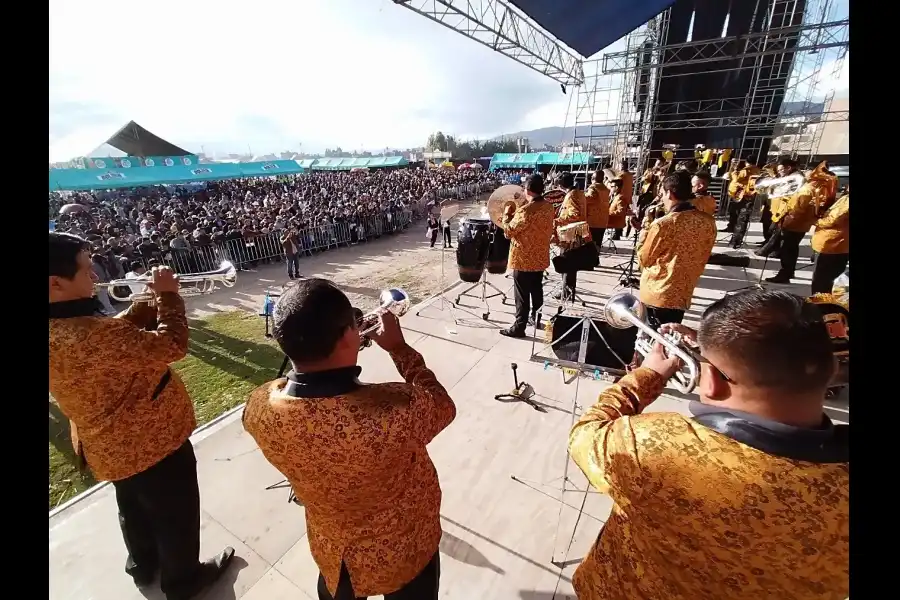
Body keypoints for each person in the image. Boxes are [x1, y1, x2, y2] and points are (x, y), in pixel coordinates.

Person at [568, 289, 849, 600]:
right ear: (831, 370)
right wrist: (713, 353)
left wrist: (646, 377)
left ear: (712, 381)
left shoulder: (655, 445)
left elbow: (585, 434)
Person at [242, 279, 456, 600]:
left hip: (334, 551)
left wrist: (338, 355)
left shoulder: (258, 408)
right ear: (346, 336)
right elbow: (442, 405)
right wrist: (400, 349)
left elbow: (306, 392)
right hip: (404, 550)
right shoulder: (394, 409)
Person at [49, 232, 235, 600]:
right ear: (54, 283)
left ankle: (143, 564)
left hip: (107, 445)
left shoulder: (68, 328)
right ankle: (183, 582)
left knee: (132, 506)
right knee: (175, 515)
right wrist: (167, 296)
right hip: (152, 443)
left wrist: (141, 309)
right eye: (87, 272)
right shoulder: (89, 335)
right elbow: (172, 346)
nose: (97, 279)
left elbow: (105, 338)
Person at [636, 172, 716, 331]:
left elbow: (644, 259)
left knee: (651, 340)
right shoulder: (708, 222)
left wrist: (645, 229)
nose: (662, 199)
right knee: (670, 335)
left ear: (669, 193)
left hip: (658, 292)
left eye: (662, 194)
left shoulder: (663, 224)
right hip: (683, 292)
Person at [499, 174, 555, 338]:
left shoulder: (525, 211)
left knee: (522, 295)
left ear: (528, 190)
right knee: (537, 289)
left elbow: (509, 232)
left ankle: (519, 327)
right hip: (540, 256)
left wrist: (507, 214)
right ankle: (536, 318)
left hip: (523, 258)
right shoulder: (548, 207)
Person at [764, 158, 819, 284]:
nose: (805, 172)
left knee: (788, 248)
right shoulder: (803, 185)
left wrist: (784, 221)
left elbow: (797, 209)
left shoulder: (804, 188)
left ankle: (785, 273)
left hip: (793, 223)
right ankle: (788, 271)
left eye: (808, 171)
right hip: (793, 221)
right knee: (790, 248)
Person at [553, 172, 588, 301]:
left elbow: (574, 214)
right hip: (578, 232)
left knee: (566, 262)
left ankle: (566, 291)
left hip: (570, 234)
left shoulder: (571, 196)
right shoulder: (579, 193)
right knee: (571, 263)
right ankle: (569, 289)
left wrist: (558, 220)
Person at [810, 190, 849, 294]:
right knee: (832, 277)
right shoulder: (845, 198)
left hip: (833, 244)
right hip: (838, 244)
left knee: (822, 279)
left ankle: (820, 306)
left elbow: (833, 220)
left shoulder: (847, 201)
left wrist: (817, 221)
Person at [584, 169, 610, 248]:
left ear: (593, 178)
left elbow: (589, 198)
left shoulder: (594, 187)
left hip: (593, 220)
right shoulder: (605, 189)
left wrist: (581, 195)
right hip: (603, 220)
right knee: (598, 243)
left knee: (591, 245)